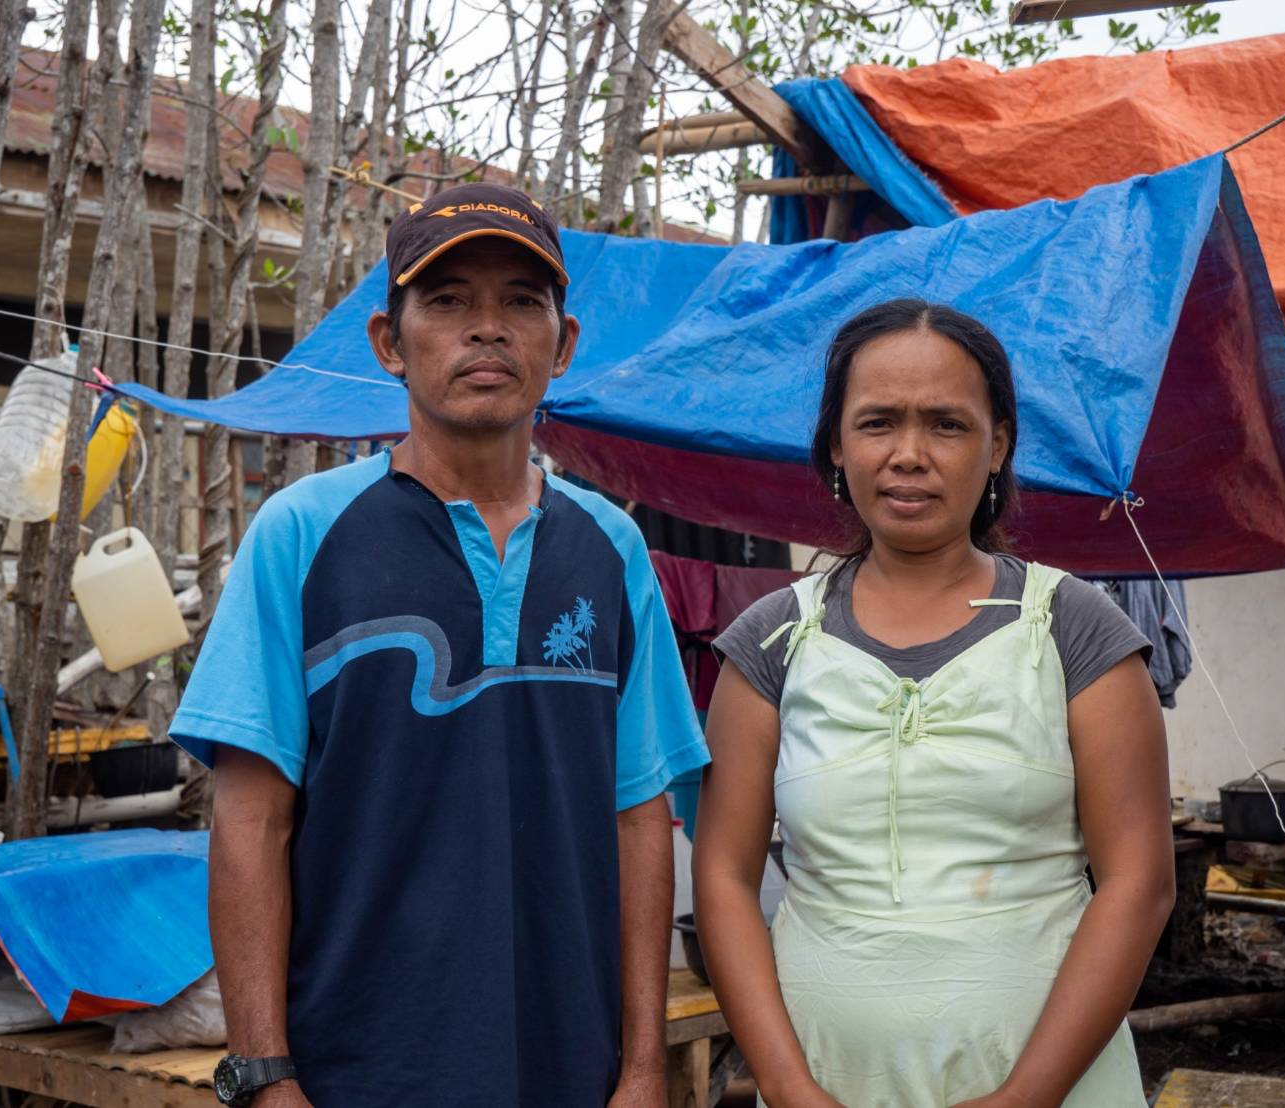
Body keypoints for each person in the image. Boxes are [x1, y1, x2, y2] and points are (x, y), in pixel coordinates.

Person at [171, 183, 710, 1107]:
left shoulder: (611, 550)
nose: (486, 329)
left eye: (520, 302)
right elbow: (251, 820)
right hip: (355, 1070)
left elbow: (639, 820)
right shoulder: (302, 535)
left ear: (563, 343)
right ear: (389, 342)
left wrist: (640, 1066)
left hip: (571, 1065)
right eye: (449, 300)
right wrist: (265, 1075)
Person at [693, 300, 1174, 1108]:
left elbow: (1138, 882)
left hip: (1057, 1089)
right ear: (835, 448)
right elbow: (722, 874)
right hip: (827, 1085)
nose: (908, 455)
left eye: (946, 425)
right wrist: (783, 1083)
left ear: (998, 447)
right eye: (877, 422)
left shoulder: (1074, 629)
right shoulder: (772, 641)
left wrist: (1026, 1095)